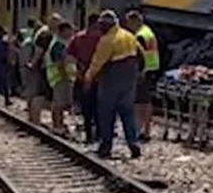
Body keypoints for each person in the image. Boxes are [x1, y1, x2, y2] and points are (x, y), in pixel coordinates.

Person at [86, 10, 143, 159]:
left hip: (112, 78)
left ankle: (106, 146)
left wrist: (88, 77)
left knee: (106, 112)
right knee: (128, 113)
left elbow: (98, 62)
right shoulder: (129, 35)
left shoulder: (107, 40)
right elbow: (141, 53)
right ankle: (133, 143)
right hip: (129, 77)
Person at [124, 10, 160, 142]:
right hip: (152, 69)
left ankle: (139, 130)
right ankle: (146, 130)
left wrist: (138, 72)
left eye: (128, 22)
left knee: (139, 103)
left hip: (143, 72)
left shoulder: (140, 36)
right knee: (146, 102)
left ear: (134, 21)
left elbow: (139, 57)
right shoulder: (148, 31)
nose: (128, 26)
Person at [67, 13, 102, 143]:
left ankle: (88, 135)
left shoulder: (78, 37)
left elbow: (69, 57)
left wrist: (75, 73)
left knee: (86, 109)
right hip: (100, 77)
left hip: (83, 76)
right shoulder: (103, 38)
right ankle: (99, 134)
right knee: (100, 107)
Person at [27, 14, 61, 125]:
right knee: (41, 96)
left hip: (52, 71)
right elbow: (39, 52)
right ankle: (35, 122)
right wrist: (33, 64)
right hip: (45, 70)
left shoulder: (51, 34)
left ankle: (39, 121)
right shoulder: (45, 35)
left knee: (51, 98)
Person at [46, 21, 77, 135]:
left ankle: (59, 124)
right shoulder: (59, 45)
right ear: (63, 31)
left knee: (61, 103)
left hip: (60, 77)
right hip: (60, 77)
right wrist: (65, 75)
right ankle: (58, 125)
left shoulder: (59, 43)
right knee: (59, 103)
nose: (72, 33)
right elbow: (60, 63)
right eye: (70, 30)